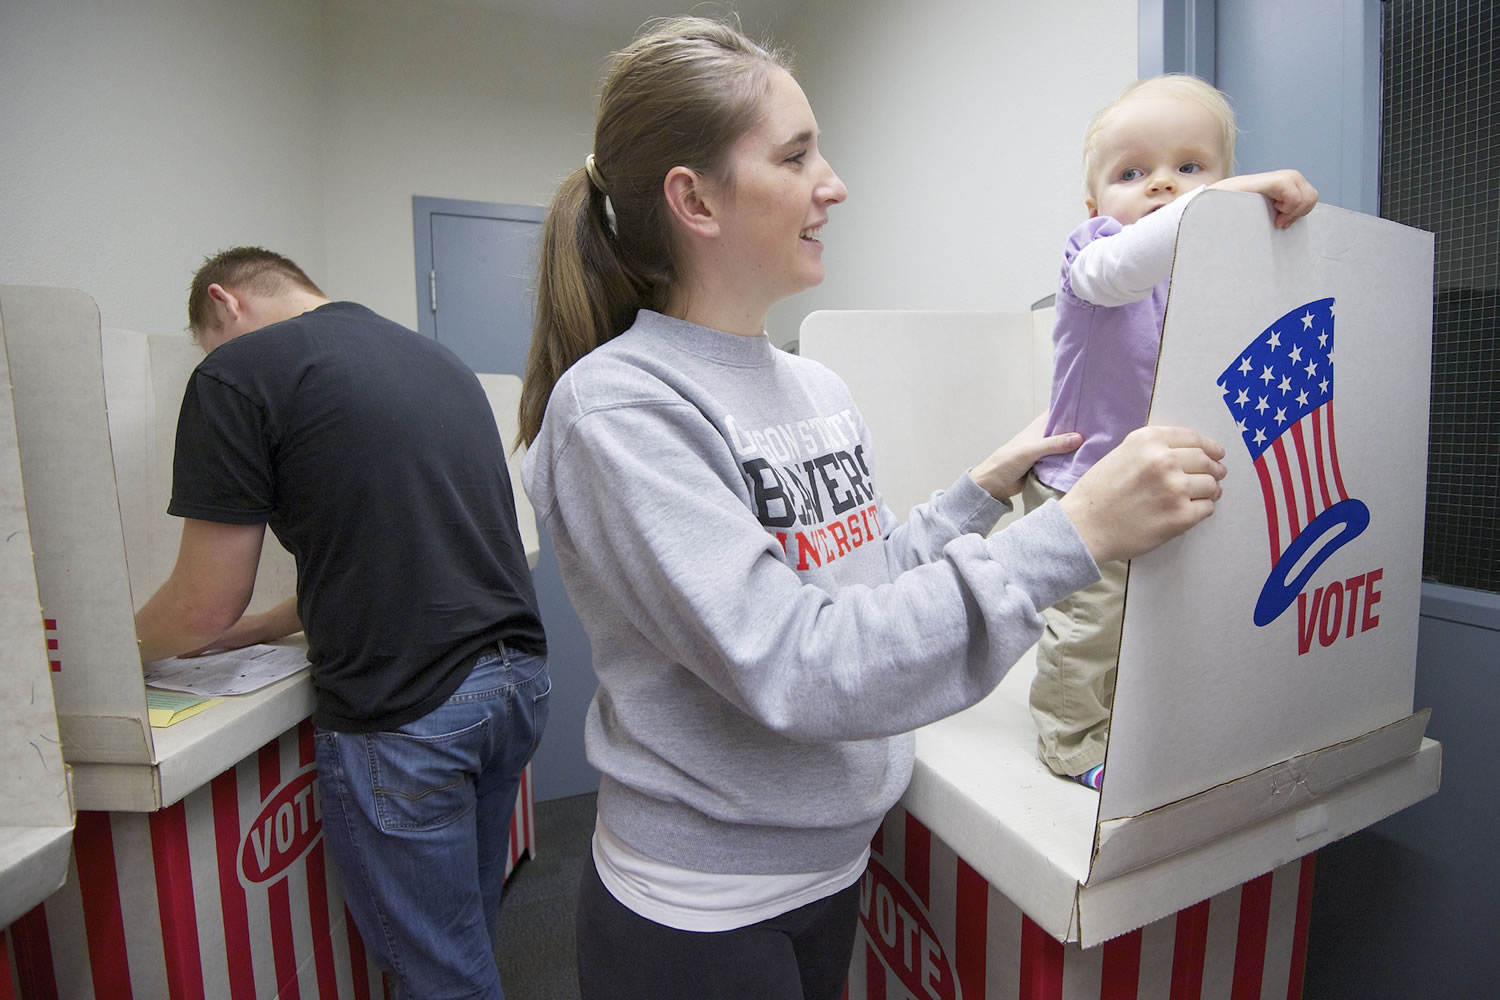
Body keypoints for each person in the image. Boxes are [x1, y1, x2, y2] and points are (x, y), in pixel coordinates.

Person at [519, 18, 1227, 1000]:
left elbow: (862, 579)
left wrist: (980, 493)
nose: (834, 183)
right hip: (701, 908)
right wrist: (1078, 533)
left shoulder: (814, 387)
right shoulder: (620, 409)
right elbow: (798, 662)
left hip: (834, 866)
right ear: (694, 199)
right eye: (797, 154)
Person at [133, 247, 549, 999]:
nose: (211, 360)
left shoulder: (239, 371)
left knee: (440, 974)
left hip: (411, 708)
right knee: (468, 937)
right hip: (513, 683)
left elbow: (200, 602)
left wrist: (113, 653)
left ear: (224, 304)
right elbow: (390, 550)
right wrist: (261, 627)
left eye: (207, 343)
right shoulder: (434, 361)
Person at [1024, 74, 1319, 790]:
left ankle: (1139, 718)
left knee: (1162, 614)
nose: (1162, 184)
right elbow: (1132, 261)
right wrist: (1219, 200)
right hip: (1084, 486)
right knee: (1092, 625)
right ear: (1096, 204)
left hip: (1167, 481)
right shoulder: (1092, 258)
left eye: (1191, 166)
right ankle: (1071, 738)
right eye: (1133, 172)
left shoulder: (1215, 274)